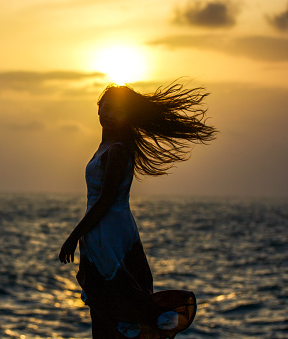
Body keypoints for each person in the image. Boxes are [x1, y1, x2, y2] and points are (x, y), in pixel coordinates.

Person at [59, 82, 217, 338]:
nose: (109, 114)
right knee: (102, 302)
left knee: (117, 301)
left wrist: (73, 236)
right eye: (106, 108)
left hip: (112, 235)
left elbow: (106, 200)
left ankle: (161, 319)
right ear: (98, 108)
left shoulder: (118, 151)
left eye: (117, 111)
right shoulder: (106, 147)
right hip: (100, 232)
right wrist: (83, 237)